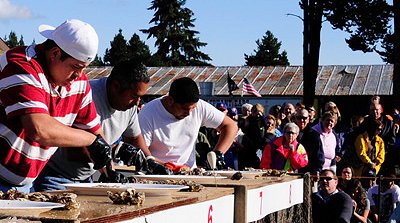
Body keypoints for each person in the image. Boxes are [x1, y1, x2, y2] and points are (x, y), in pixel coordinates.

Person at [0, 19, 113, 193]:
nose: (79, 75)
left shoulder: (79, 82)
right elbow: (39, 129)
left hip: (23, 183)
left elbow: (94, 132)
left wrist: (109, 171)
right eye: (76, 67)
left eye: (84, 68)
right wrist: (91, 141)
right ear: (55, 53)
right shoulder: (19, 65)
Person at [34, 60, 160, 191]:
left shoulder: (130, 105)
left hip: (86, 179)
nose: (137, 102)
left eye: (140, 97)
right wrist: (115, 150)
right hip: (55, 176)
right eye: (134, 96)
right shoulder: (86, 94)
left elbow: (134, 138)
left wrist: (150, 161)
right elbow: (70, 150)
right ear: (116, 86)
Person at [138, 77, 238, 169]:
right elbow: (141, 152)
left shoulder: (200, 107)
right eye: (185, 108)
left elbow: (230, 126)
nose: (189, 113)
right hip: (156, 173)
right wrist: (171, 167)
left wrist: (217, 154)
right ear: (170, 100)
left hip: (190, 172)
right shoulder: (148, 113)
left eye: (193, 108)